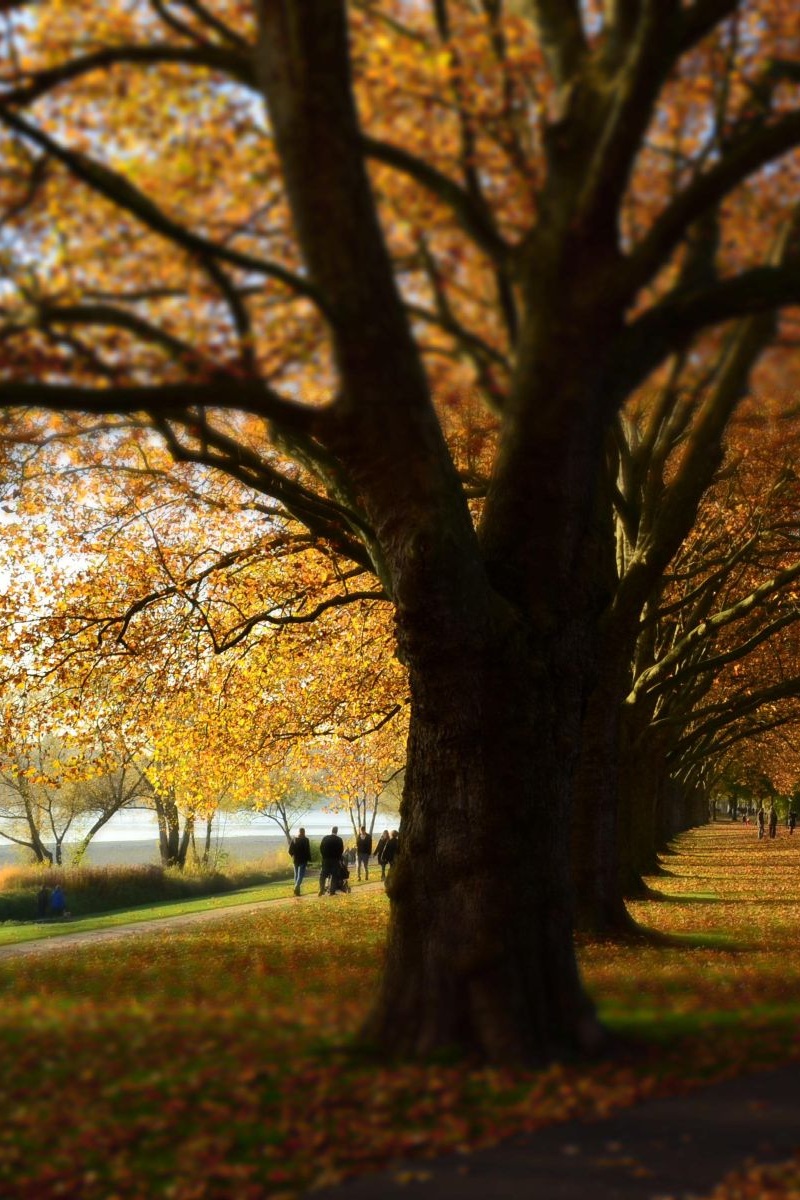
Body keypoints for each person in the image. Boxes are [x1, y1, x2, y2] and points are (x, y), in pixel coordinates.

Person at [318, 825, 344, 895]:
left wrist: (324, 856)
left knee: (323, 875)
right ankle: (332, 891)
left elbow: (321, 848)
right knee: (334, 875)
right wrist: (338, 858)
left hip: (326, 859)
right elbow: (341, 851)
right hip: (335, 860)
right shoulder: (339, 840)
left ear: (331, 830)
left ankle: (321, 889)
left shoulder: (325, 838)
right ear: (337, 831)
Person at [288, 827, 312, 896]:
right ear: (304, 832)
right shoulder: (306, 840)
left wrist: (293, 856)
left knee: (296, 875)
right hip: (303, 860)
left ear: (298, 832)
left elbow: (289, 851)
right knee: (300, 875)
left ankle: (297, 892)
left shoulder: (294, 839)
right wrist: (309, 859)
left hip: (295, 860)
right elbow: (308, 851)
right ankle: (296, 888)